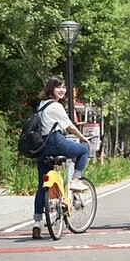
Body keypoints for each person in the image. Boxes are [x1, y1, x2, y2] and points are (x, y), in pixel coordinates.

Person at [32, 76, 90, 239]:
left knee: (41, 186)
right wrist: (83, 137)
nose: (62, 90)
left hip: (42, 147)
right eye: (59, 87)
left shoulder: (41, 105)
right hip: (56, 143)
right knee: (83, 150)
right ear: (51, 88)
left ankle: (37, 223)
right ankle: (76, 181)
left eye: (64, 87)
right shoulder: (56, 106)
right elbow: (70, 126)